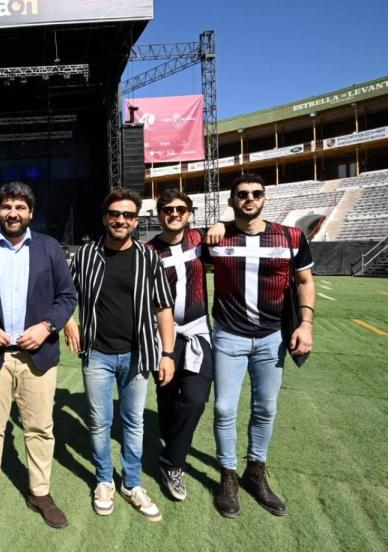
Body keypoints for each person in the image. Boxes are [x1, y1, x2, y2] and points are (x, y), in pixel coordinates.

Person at [0, 181, 77, 545]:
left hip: (37, 356)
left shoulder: (50, 248)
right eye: (7, 206)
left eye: (20, 207)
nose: (13, 213)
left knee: (40, 429)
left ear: (31, 213)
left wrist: (47, 325)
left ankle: (39, 492)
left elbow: (67, 296)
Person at [64, 187, 176, 521]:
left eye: (128, 215)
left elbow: (163, 307)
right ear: (105, 217)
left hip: (138, 354)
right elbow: (63, 293)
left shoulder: (148, 257)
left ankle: (132, 482)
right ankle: (103, 480)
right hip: (97, 353)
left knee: (134, 422)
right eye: (115, 214)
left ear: (136, 220)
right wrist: (69, 322)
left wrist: (167, 352)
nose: (121, 220)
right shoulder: (85, 255)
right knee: (100, 422)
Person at [208, 173, 315, 518]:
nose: (249, 199)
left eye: (256, 193)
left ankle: (255, 472)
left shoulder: (290, 236)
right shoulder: (217, 238)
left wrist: (307, 325)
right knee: (225, 408)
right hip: (228, 334)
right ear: (232, 200)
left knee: (265, 408)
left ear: (265, 199)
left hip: (273, 336)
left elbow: (304, 281)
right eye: (241, 194)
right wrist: (218, 224)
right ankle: (227, 476)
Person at [145, 189, 213, 503]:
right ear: (159, 214)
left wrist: (222, 226)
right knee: (168, 398)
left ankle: (172, 463)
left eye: (181, 209)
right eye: (168, 209)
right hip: (165, 337)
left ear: (189, 213)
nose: (174, 214)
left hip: (199, 333)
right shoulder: (148, 251)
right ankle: (171, 444)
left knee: (196, 399)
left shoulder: (200, 241)